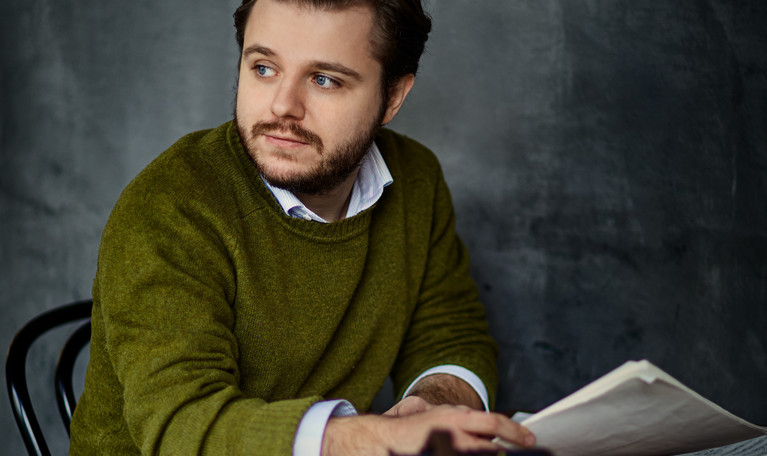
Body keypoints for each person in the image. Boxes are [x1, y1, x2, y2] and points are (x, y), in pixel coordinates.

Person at [69, 0, 536, 454]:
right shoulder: (170, 206)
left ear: (393, 96)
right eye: (264, 68)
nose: (283, 106)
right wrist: (359, 441)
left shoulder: (416, 180)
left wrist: (430, 407)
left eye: (324, 79)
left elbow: (450, 332)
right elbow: (182, 423)